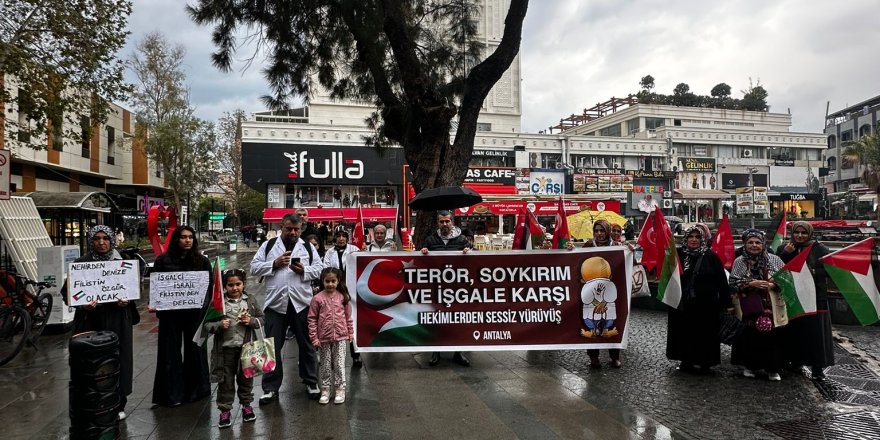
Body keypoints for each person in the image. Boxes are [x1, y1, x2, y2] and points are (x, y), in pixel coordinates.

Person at [64, 225, 137, 421]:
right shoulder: (81, 264)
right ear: (91, 241)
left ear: (112, 240)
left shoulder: (124, 263)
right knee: (90, 362)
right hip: (90, 321)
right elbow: (68, 293)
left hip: (118, 320)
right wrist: (82, 305)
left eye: (105, 238)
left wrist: (127, 301)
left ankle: (119, 402)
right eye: (96, 238)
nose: (101, 242)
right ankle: (92, 401)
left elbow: (133, 291)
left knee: (119, 359)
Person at [250, 213, 323, 404]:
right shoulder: (269, 246)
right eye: (289, 228)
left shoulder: (307, 246)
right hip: (275, 304)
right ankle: (269, 388)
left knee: (307, 345)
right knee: (270, 347)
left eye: (296, 229)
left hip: (302, 304)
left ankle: (311, 381)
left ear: (301, 228)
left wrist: (304, 271)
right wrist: (274, 264)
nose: (293, 232)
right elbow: (254, 268)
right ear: (281, 226)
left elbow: (320, 268)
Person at [152, 226, 212, 407]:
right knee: (169, 352)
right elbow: (156, 286)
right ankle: (171, 393)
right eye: (183, 237)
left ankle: (197, 390)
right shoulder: (162, 260)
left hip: (195, 314)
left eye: (190, 237)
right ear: (176, 239)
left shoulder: (202, 261)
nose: (187, 240)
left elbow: (210, 286)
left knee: (196, 351)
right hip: (170, 315)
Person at [667, 225, 731, 373]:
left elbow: (721, 281)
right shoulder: (678, 254)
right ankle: (686, 361)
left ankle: (705, 362)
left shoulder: (711, 256)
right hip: (684, 303)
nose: (694, 240)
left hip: (706, 305)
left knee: (705, 334)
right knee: (685, 333)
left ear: (702, 239)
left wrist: (726, 303)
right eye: (691, 237)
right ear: (686, 238)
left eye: (697, 237)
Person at [204, 269, 264, 428]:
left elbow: (262, 319)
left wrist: (251, 321)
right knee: (225, 381)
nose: (235, 288)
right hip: (225, 351)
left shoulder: (250, 300)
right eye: (230, 285)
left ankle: (247, 406)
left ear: (244, 284)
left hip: (247, 349)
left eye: (238, 284)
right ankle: (225, 410)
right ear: (225, 286)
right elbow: (207, 325)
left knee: (246, 379)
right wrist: (219, 325)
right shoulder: (218, 303)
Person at [776, 221, 834, 380]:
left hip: (815, 298)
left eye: (803, 233)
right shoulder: (785, 248)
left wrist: (813, 271)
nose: (800, 236)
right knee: (794, 331)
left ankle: (817, 368)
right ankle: (795, 362)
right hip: (793, 297)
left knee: (816, 334)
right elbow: (776, 269)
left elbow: (829, 270)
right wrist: (786, 254)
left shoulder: (819, 249)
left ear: (809, 234)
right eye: (797, 233)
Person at [729, 229, 788, 381]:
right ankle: (750, 366)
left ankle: (773, 369)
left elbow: (787, 279)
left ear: (763, 244)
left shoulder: (774, 259)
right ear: (744, 244)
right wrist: (750, 283)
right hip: (749, 306)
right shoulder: (739, 261)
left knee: (772, 337)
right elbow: (733, 282)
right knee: (750, 336)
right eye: (750, 242)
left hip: (771, 306)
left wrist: (773, 284)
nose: (754, 245)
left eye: (757, 242)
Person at [420, 210, 471, 366]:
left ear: (452, 222)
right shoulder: (430, 240)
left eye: (447, 221)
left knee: (457, 320)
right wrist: (423, 253)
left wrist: (470, 253)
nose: (444, 224)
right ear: (438, 223)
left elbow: (472, 264)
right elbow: (424, 265)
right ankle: (436, 351)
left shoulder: (462, 240)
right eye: (441, 222)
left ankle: (458, 351)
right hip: (438, 288)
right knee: (437, 320)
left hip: (457, 289)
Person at [308, 267, 354, 405]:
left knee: (339, 365)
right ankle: (326, 389)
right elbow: (312, 319)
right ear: (323, 281)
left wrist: (350, 332)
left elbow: (348, 317)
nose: (330, 284)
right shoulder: (317, 299)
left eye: (333, 281)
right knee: (325, 365)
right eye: (327, 281)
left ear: (338, 281)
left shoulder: (343, 297)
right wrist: (314, 337)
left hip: (340, 337)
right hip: (324, 339)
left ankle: (340, 388)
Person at [582, 220, 623, 368]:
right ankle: (594, 357)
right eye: (596, 230)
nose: (599, 234)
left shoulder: (617, 247)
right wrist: (570, 249)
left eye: (602, 231)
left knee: (612, 324)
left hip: (611, 293)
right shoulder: (587, 246)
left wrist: (629, 250)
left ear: (607, 232)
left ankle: (615, 356)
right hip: (591, 293)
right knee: (592, 325)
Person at [321, 230, 362, 367]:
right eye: (338, 236)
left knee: (351, 321)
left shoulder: (354, 249)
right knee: (333, 320)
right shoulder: (330, 252)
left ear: (347, 238)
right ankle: (332, 356)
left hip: (350, 288)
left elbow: (360, 263)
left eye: (344, 236)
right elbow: (326, 269)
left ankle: (355, 355)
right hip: (334, 289)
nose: (341, 239)